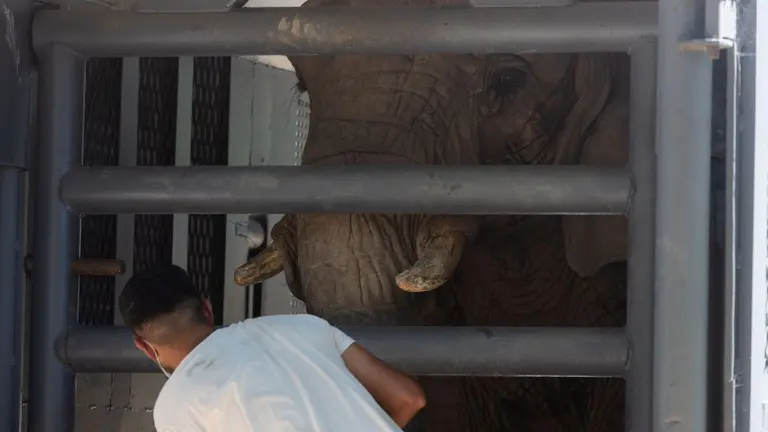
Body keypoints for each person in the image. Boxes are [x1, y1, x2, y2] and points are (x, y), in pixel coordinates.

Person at [119, 263, 426, 432]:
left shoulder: (175, 409)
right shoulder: (303, 327)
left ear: (144, 347)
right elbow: (409, 398)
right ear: (207, 309)